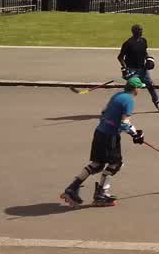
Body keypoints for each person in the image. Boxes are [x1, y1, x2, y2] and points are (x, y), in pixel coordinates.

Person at [60, 76, 148, 207]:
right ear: (135, 88)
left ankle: (72, 188)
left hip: (100, 132)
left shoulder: (117, 95)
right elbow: (124, 123)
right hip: (110, 136)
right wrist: (136, 134)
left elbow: (104, 112)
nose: (139, 91)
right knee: (115, 163)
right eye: (139, 88)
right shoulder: (129, 100)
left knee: (97, 164)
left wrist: (131, 131)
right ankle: (101, 194)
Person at [117, 24, 159, 113]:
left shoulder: (143, 41)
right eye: (139, 30)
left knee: (150, 86)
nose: (141, 32)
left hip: (143, 69)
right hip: (132, 70)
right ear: (134, 32)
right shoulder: (128, 43)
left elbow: (144, 53)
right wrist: (125, 68)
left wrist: (149, 59)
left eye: (141, 30)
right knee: (130, 90)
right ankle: (116, 107)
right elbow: (120, 57)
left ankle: (158, 104)